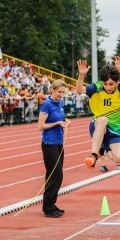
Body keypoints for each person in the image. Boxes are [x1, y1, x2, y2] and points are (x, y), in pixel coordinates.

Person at [76, 56, 120, 170]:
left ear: (117, 82)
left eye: (111, 84)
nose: (108, 87)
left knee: (119, 158)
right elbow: (79, 90)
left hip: (116, 130)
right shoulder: (97, 87)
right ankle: (94, 155)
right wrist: (81, 75)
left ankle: (102, 151)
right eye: (105, 84)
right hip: (98, 126)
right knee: (103, 119)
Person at [38, 79, 71, 218]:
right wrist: (57, 123)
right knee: (55, 174)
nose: (61, 94)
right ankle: (48, 207)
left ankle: (51, 205)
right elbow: (41, 126)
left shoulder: (60, 103)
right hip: (49, 143)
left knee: (56, 175)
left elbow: (61, 118)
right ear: (52, 90)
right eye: (59, 92)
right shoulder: (46, 104)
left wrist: (65, 122)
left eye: (63, 92)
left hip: (59, 143)